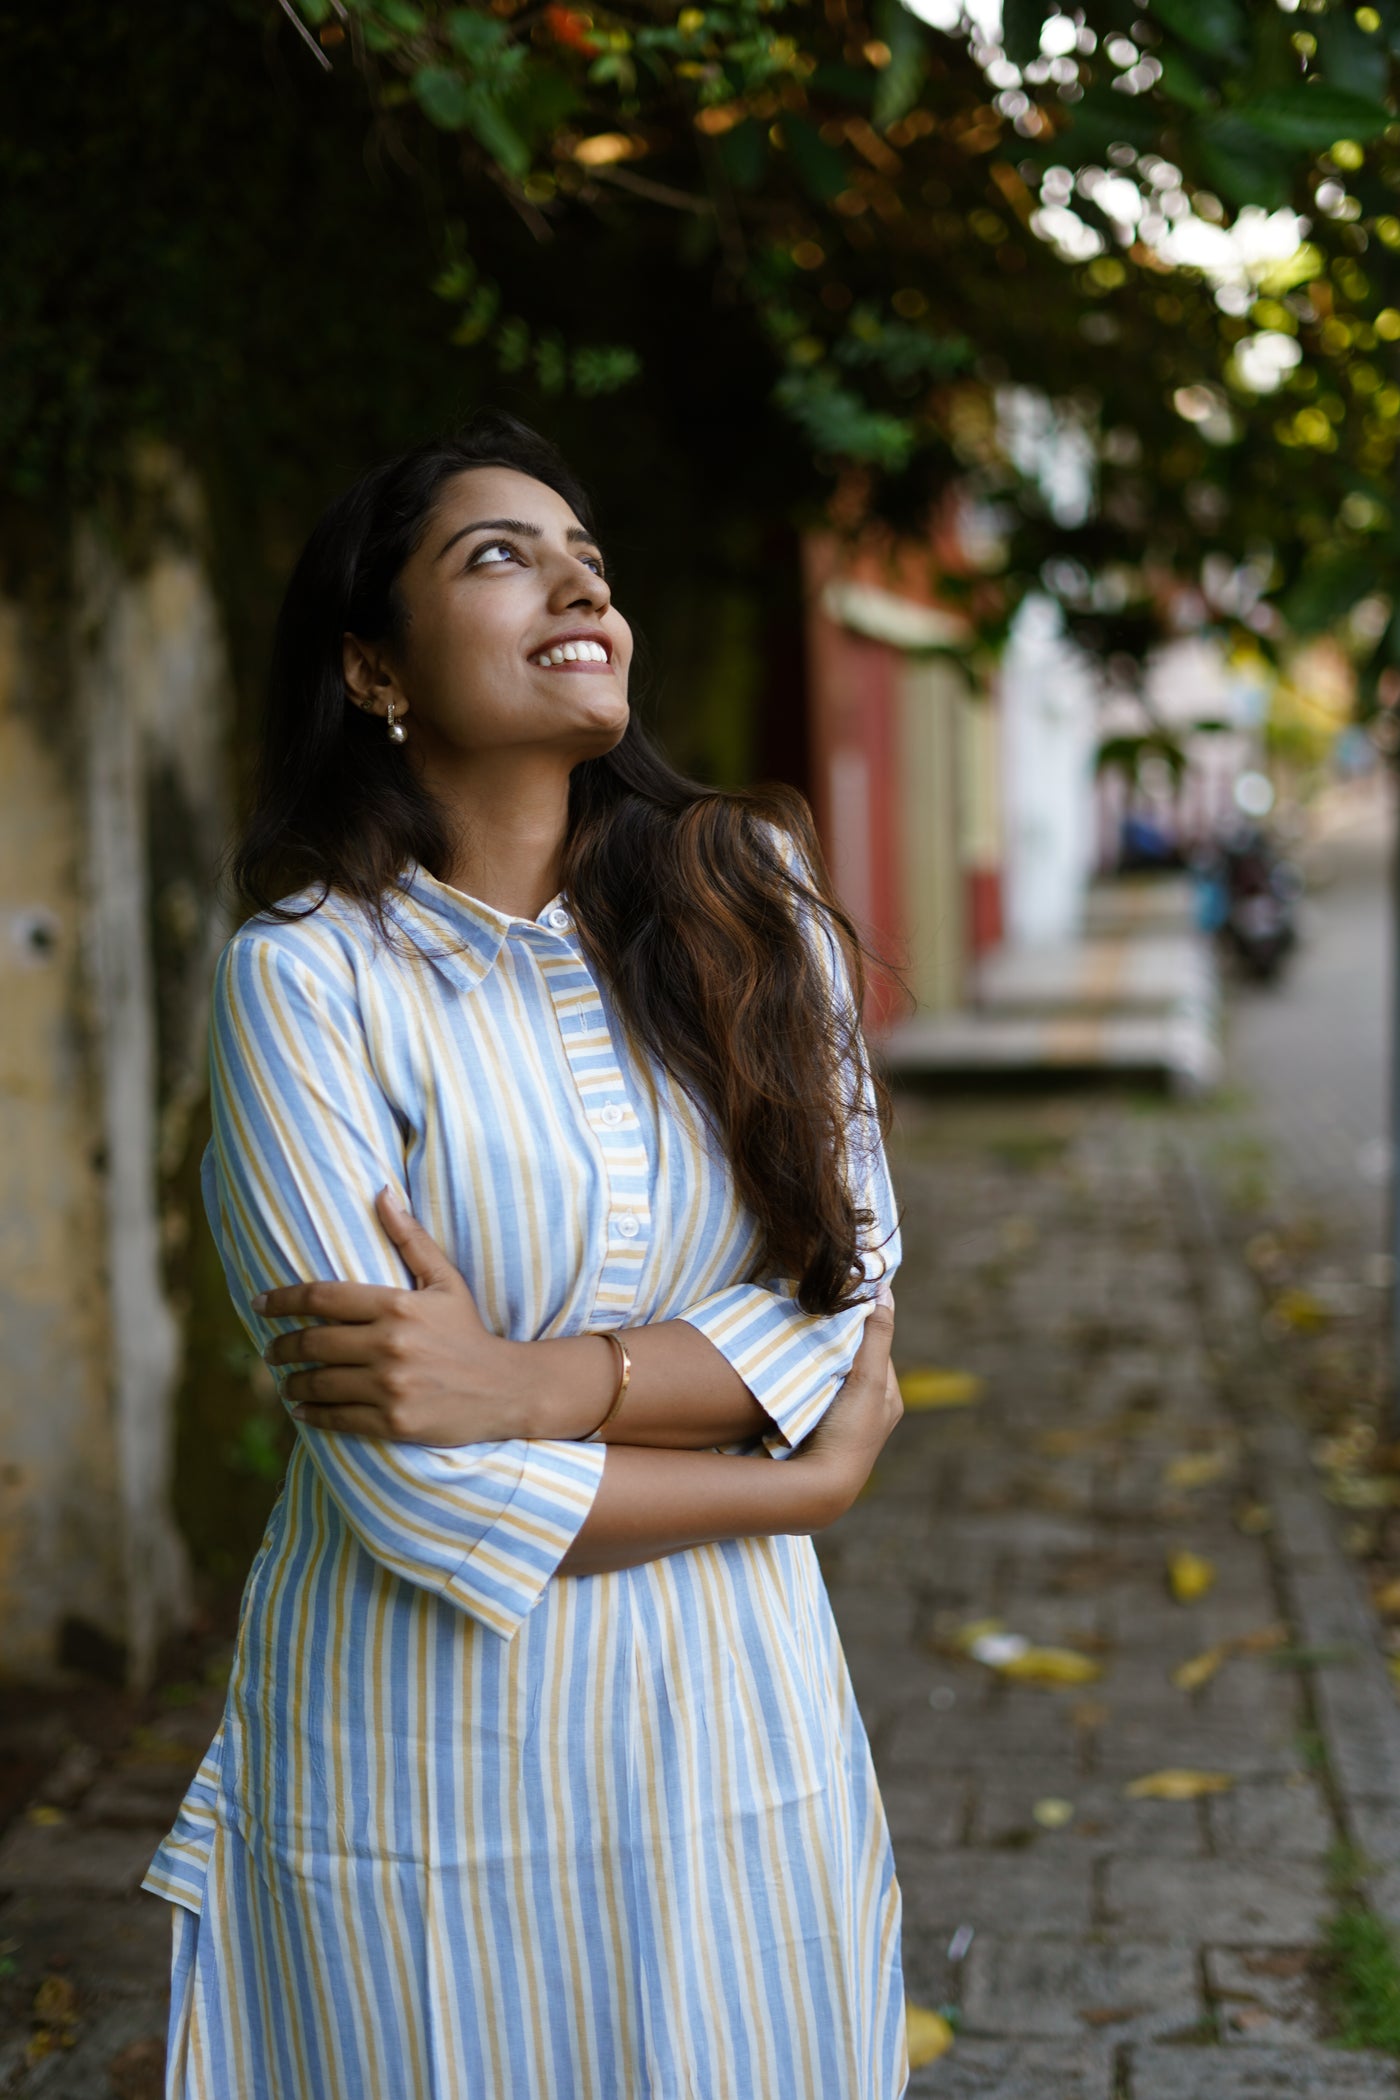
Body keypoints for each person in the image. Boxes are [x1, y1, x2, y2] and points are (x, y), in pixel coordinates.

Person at [142, 411, 907, 2098]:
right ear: (373, 667)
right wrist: (791, 1486)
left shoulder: (752, 909)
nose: (580, 582)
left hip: (740, 1734)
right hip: (422, 1761)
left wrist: (531, 1382)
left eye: (592, 559)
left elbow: (835, 1303)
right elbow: (414, 1489)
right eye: (500, 554)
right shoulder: (309, 980)